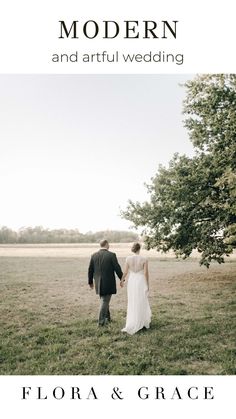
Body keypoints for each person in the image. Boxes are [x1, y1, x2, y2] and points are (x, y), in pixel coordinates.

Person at [88, 239, 123, 326]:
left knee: (104, 300)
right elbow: (117, 268)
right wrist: (122, 278)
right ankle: (101, 322)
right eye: (109, 244)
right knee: (104, 301)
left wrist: (90, 282)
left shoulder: (94, 255)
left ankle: (108, 318)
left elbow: (90, 270)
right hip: (108, 282)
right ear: (106, 244)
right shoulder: (111, 255)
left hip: (98, 283)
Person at [121, 242, 151, 335]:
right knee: (141, 300)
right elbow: (145, 273)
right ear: (139, 248)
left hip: (132, 281)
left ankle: (133, 320)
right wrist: (147, 284)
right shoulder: (144, 259)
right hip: (140, 280)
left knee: (132, 300)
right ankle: (141, 321)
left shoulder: (128, 258)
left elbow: (125, 271)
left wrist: (122, 280)